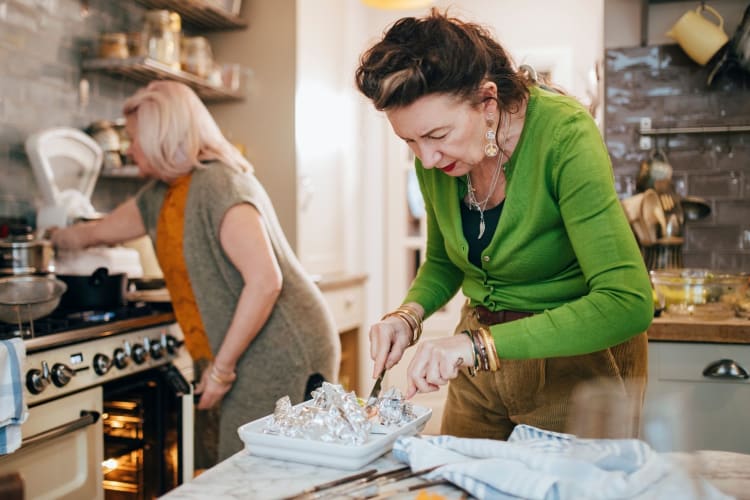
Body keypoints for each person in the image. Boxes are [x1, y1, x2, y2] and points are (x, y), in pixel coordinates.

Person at [355, 10, 653, 440]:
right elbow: (443, 262)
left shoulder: (564, 135)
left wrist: (477, 346)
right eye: (410, 142)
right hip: (477, 371)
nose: (427, 160)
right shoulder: (433, 158)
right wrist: (407, 317)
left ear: (488, 101)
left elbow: (628, 302)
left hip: (576, 369)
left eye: (438, 135)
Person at [50, 81, 341, 464]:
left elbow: (265, 281)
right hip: (245, 347)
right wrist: (51, 235)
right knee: (238, 464)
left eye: (136, 138)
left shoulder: (220, 183)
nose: (130, 148)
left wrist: (221, 369)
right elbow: (98, 231)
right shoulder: (162, 193)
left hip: (282, 348)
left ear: (162, 137)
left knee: (253, 469)